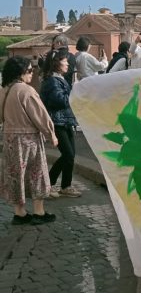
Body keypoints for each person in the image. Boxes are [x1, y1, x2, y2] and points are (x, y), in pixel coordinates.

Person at [0, 56, 58, 225]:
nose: (32, 74)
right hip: (28, 139)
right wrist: (51, 134)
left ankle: (20, 213)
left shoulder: (4, 90)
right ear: (21, 72)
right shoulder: (26, 91)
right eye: (29, 71)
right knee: (36, 173)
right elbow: (40, 116)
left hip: (10, 138)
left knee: (15, 174)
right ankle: (39, 212)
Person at [40, 51, 82, 199]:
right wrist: (75, 90)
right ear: (57, 63)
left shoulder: (59, 79)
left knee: (70, 155)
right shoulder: (53, 81)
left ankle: (66, 186)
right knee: (68, 154)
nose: (68, 64)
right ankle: (49, 184)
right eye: (65, 61)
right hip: (57, 122)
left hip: (65, 121)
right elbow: (61, 101)